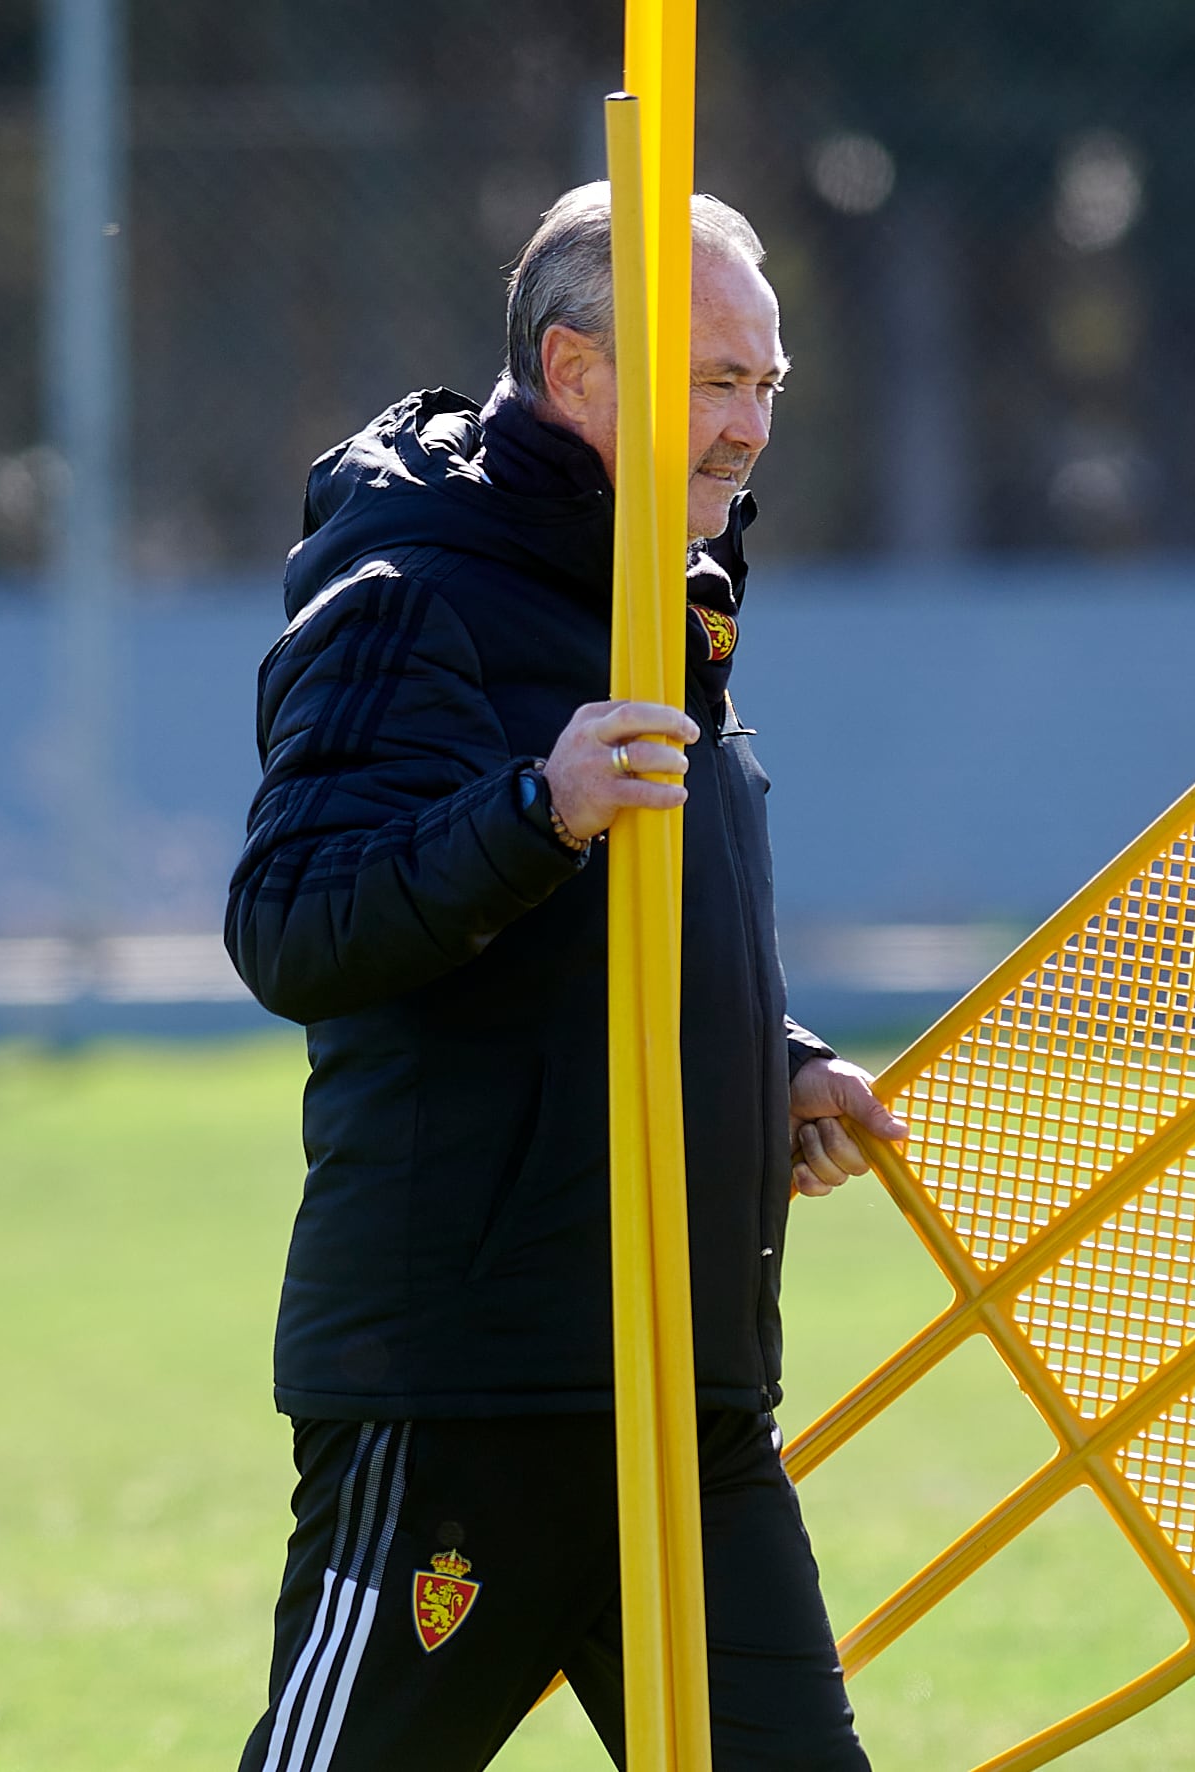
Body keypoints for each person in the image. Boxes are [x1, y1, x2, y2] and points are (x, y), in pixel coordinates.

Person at [225, 183, 904, 1772]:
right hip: (471, 1390)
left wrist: (772, 1062)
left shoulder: (665, 590)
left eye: (763, 387)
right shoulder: (412, 591)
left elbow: (634, 924)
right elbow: (295, 924)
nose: (746, 430)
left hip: (689, 1386)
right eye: (712, 383)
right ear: (578, 370)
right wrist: (535, 809)